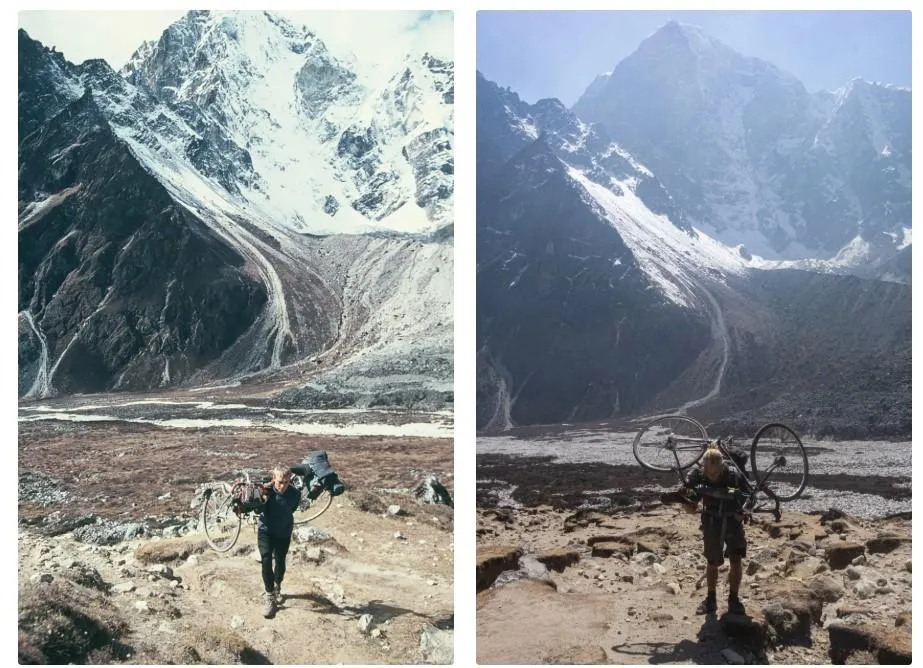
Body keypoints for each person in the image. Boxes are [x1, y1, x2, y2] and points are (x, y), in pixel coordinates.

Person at [679, 446, 749, 616]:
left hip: (733, 520)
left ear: (722, 466)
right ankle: (711, 599)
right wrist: (685, 502)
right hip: (711, 522)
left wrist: (744, 512)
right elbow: (692, 503)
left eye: (715, 473)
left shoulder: (734, 475)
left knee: (736, 559)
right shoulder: (699, 477)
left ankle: (733, 599)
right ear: (703, 468)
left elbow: (748, 496)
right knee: (712, 561)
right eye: (709, 473)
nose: (712, 476)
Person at [257, 464, 301, 619]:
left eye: (286, 482)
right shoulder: (265, 490)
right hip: (265, 531)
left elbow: (292, 509)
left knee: (280, 562)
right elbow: (257, 508)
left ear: (290, 480)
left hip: (283, 532)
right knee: (266, 559)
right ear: (274, 478)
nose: (282, 486)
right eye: (279, 482)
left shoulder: (295, 494)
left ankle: (277, 586)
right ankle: (269, 596)